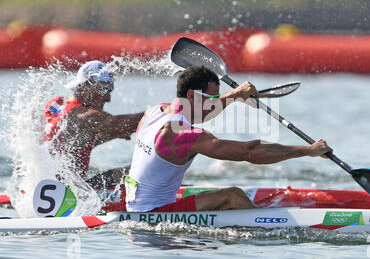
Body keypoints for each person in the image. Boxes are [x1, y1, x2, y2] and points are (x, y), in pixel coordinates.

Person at [125, 66, 332, 212]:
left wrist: (235, 95)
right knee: (233, 196)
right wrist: (308, 151)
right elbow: (249, 152)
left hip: (136, 205)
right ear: (192, 96)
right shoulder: (182, 136)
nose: (215, 104)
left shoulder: (154, 111)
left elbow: (197, 113)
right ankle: (267, 229)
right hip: (154, 214)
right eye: (212, 98)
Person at [43, 60, 144, 188]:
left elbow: (71, 144)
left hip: (44, 187)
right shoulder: (85, 115)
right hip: (70, 194)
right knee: (135, 168)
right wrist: (160, 112)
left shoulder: (56, 105)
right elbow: (120, 124)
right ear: (86, 85)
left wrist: (110, 134)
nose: (108, 98)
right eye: (105, 90)